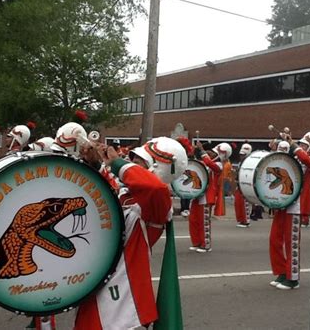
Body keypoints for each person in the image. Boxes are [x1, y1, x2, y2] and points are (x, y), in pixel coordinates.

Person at [74, 137, 187, 329]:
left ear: (157, 167)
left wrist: (116, 163)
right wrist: (95, 163)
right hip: (101, 282)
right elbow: (109, 188)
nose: (131, 161)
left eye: (138, 160)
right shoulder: (129, 195)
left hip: (125, 300)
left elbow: (154, 187)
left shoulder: (158, 203)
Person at [269, 131, 310, 290]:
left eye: (304, 144)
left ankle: (293, 278)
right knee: (274, 239)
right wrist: (274, 150)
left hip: (296, 205)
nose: (300, 146)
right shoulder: (295, 157)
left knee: (291, 242)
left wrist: (294, 146)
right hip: (283, 202)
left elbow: (309, 163)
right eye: (300, 144)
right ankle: (281, 271)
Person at [188, 142, 231, 253]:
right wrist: (194, 152)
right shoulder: (205, 161)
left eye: (213, 152)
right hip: (197, 194)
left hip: (207, 196)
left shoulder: (219, 165)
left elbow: (209, 163)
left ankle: (206, 245)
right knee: (193, 219)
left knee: (204, 222)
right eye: (210, 151)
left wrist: (202, 151)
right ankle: (196, 242)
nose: (209, 153)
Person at [234, 143, 252, 227]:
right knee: (238, 203)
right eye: (241, 154)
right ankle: (240, 220)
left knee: (244, 203)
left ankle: (246, 220)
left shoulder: (249, 162)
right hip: (238, 185)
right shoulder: (240, 163)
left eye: (243, 155)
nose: (241, 156)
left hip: (244, 185)